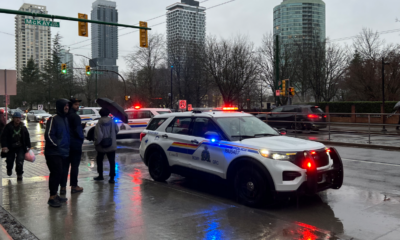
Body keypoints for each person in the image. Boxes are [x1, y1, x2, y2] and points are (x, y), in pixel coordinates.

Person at [44, 99, 70, 208]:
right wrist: (57, 145)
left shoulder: (65, 119)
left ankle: (55, 195)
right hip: (53, 152)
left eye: (68, 105)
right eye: (65, 105)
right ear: (60, 106)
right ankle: (52, 197)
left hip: (62, 152)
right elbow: (49, 135)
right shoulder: (53, 119)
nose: (67, 107)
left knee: (60, 173)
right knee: (56, 173)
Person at [60, 98, 84, 195]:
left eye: (78, 104)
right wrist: (81, 137)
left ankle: (62, 187)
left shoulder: (64, 116)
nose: (77, 106)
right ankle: (74, 186)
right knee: (74, 166)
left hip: (65, 145)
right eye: (76, 104)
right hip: (75, 145)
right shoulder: (75, 117)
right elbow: (78, 132)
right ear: (71, 105)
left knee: (65, 166)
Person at [1, 112, 31, 180]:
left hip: (20, 147)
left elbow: (27, 137)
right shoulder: (8, 127)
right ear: (13, 118)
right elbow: (3, 137)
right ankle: (9, 169)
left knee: (20, 161)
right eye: (16, 118)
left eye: (19, 118)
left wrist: (28, 146)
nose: (18, 119)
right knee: (10, 161)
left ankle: (19, 174)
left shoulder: (23, 127)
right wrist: (4, 146)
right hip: (10, 147)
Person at [93, 108, 119, 183]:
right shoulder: (113, 122)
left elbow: (99, 135)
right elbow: (117, 130)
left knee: (99, 160)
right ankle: (112, 178)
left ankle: (100, 175)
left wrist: (96, 143)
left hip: (101, 145)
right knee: (112, 161)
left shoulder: (99, 123)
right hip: (111, 145)